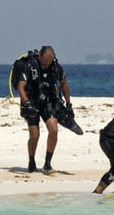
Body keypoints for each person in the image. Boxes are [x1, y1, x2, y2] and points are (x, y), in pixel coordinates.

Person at [15, 45, 72, 173]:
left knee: (54, 130)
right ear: (40, 56)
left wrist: (68, 104)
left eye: (49, 61)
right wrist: (27, 104)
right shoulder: (30, 66)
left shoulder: (55, 67)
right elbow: (20, 88)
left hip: (48, 102)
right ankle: (31, 161)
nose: (46, 64)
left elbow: (64, 84)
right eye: (45, 61)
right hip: (31, 102)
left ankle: (47, 163)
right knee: (35, 135)